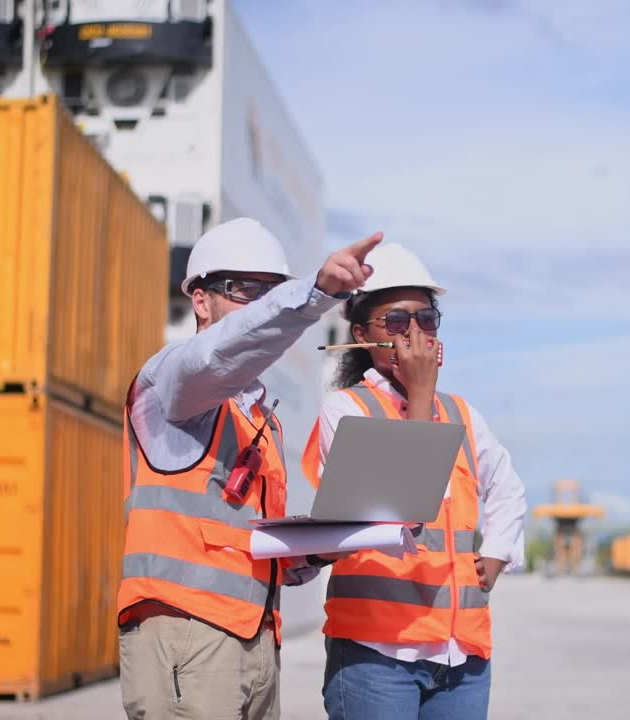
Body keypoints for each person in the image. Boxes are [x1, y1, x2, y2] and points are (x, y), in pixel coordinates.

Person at [119, 217, 380, 720]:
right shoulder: (170, 382)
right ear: (200, 300)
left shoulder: (259, 418)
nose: (261, 306)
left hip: (256, 638)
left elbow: (255, 552)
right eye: (245, 291)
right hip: (186, 635)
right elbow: (223, 351)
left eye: (271, 292)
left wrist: (328, 545)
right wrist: (314, 292)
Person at [300, 243, 528, 720]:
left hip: (459, 655)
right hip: (376, 655)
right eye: (398, 322)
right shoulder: (347, 410)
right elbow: (403, 497)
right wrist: (421, 393)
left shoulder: (462, 413)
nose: (416, 333)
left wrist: (499, 551)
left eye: (426, 318)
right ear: (361, 335)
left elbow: (507, 487)